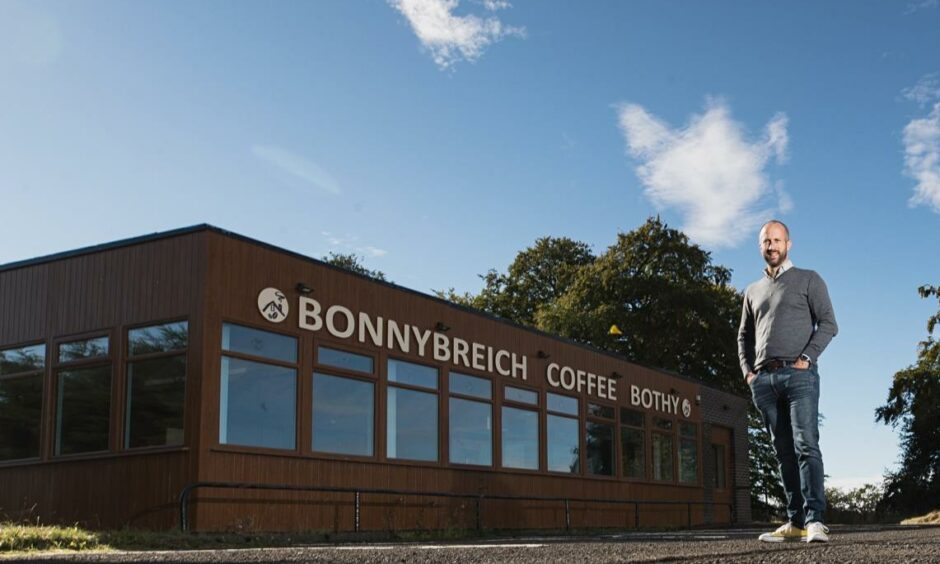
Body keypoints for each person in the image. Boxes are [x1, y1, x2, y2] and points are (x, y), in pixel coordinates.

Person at [738, 220, 838, 543]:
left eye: (777, 240)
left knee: (806, 445)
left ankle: (815, 520)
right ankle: (795, 521)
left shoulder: (809, 280)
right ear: (760, 246)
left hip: (799, 377)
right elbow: (744, 336)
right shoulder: (752, 291)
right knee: (783, 453)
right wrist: (748, 373)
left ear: (788, 244)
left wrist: (806, 359)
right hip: (764, 381)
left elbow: (828, 324)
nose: (772, 245)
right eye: (766, 240)